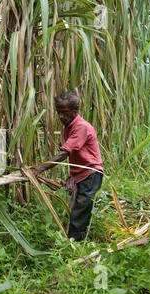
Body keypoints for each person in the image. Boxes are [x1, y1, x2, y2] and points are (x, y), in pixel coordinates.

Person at [33, 90, 104, 241]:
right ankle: (74, 239)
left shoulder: (81, 127)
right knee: (75, 209)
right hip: (81, 175)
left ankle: (76, 244)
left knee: (80, 210)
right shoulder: (69, 126)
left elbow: (65, 153)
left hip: (91, 174)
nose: (60, 116)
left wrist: (39, 168)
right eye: (58, 112)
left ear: (75, 110)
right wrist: (73, 176)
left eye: (64, 112)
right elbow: (75, 155)